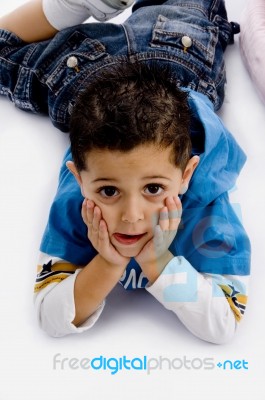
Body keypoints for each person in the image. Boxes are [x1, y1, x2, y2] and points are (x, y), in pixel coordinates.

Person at [0, 0, 251, 343]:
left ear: (187, 174)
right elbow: (49, 315)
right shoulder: (78, 201)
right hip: (177, 49)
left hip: (94, 69)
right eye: (108, 191)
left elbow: (225, 325)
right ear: (79, 178)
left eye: (153, 189)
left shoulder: (208, 202)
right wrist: (108, 263)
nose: (132, 217)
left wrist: (158, 261)